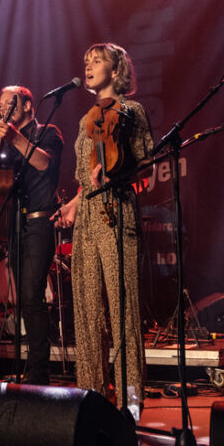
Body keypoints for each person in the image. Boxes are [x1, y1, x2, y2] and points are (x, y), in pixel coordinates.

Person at [55, 43, 153, 411]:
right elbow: (87, 178)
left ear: (116, 69)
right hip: (88, 219)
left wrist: (117, 177)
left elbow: (146, 168)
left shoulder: (132, 110)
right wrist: (73, 204)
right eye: (87, 61)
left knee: (123, 310)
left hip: (118, 212)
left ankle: (131, 403)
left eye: (98, 61)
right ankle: (91, 399)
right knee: (87, 311)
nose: (90, 66)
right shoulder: (87, 118)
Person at [0, 86, 62, 385]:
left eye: (10, 103)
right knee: (21, 298)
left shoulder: (48, 132)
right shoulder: (4, 142)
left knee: (32, 295)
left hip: (39, 222)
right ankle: (27, 367)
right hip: (15, 224)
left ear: (27, 106)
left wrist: (14, 138)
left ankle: (40, 372)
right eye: (0, 104)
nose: (3, 109)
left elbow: (44, 163)